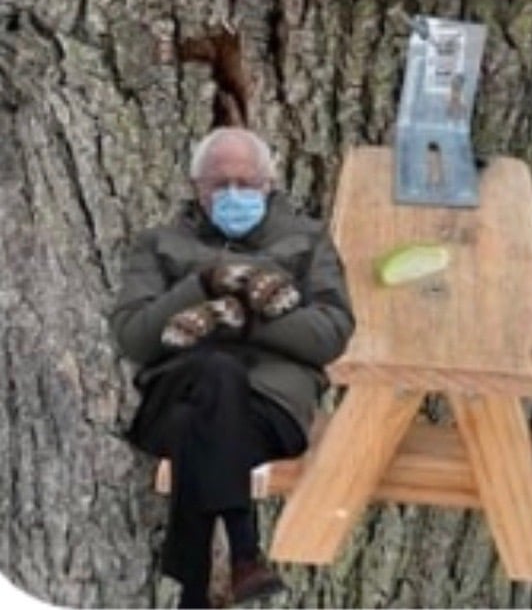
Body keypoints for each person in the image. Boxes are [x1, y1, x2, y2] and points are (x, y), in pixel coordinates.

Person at [110, 127, 355, 609]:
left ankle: (194, 593)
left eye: (246, 183)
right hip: (173, 392)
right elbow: (134, 335)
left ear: (268, 183)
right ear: (197, 189)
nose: (233, 195)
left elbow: (329, 335)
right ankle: (244, 554)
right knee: (213, 375)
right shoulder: (159, 245)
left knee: (201, 409)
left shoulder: (306, 242)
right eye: (219, 185)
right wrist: (202, 285)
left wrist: (236, 321)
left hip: (270, 409)